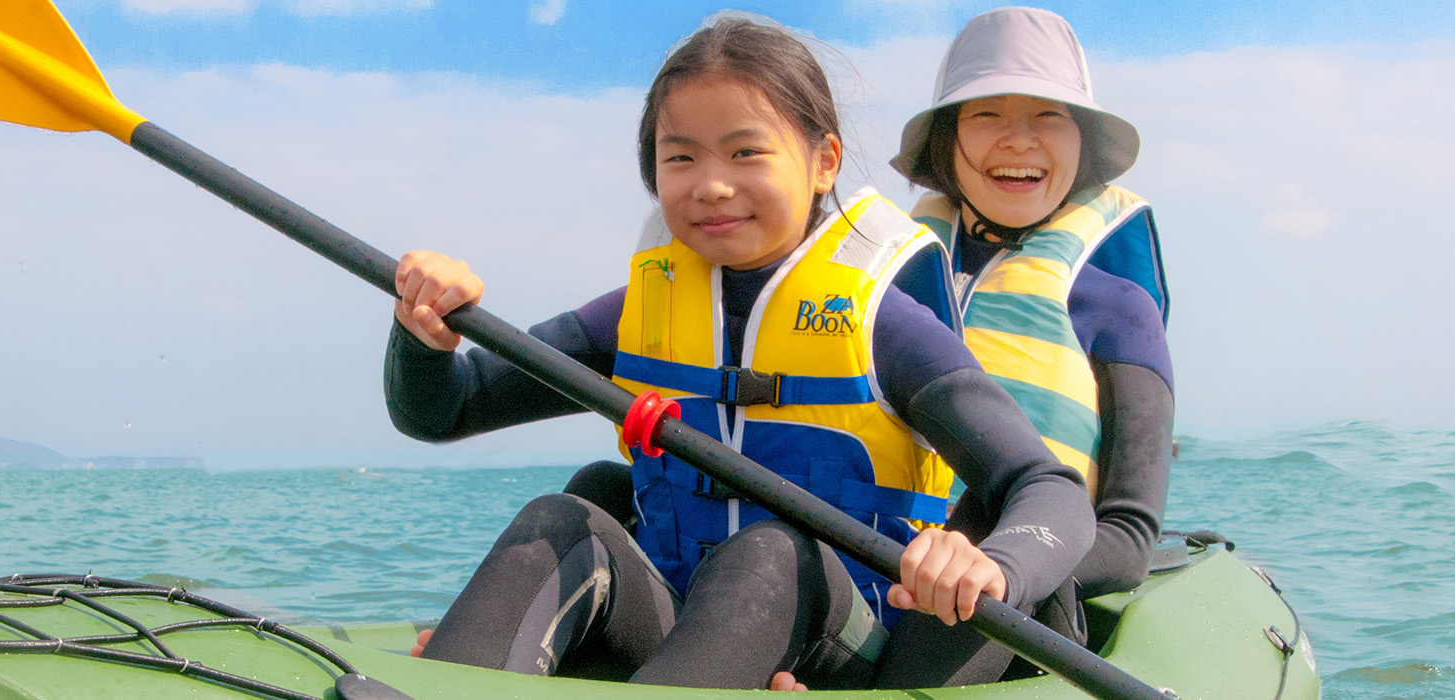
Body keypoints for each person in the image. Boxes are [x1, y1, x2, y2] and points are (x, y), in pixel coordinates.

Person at [385, 15, 1094, 691]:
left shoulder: (885, 324)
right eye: (681, 157)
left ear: (824, 161)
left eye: (746, 151)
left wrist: (991, 566)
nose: (711, 184)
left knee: (769, 552)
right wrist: (425, 331)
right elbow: (447, 408)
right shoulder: (640, 311)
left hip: (852, 646)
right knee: (561, 517)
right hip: (681, 628)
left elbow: (1049, 490)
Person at [878, 6, 1175, 684]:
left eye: (1048, 116)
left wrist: (991, 564)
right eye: (986, 116)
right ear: (947, 142)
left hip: (1008, 601)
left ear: (1084, 144)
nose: (1019, 142)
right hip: (870, 568)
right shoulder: (875, 285)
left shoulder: (1121, 310)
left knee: (985, 513)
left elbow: (1128, 539)